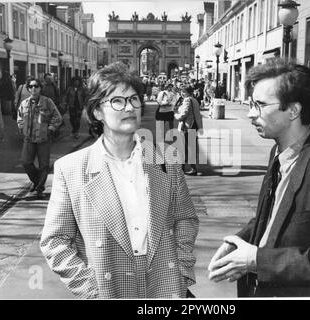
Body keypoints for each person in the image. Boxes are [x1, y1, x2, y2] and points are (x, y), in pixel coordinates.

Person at [208, 59, 310, 297]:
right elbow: (275, 217)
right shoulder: (278, 153)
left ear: (294, 111)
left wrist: (256, 260)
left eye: (260, 105)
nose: (250, 114)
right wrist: (237, 240)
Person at [40, 62, 199, 299]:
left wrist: (181, 268)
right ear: (96, 111)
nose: (129, 107)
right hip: (109, 287)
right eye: (117, 101)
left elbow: (186, 217)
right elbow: (55, 241)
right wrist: (90, 289)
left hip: (165, 285)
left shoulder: (166, 159)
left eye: (134, 99)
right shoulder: (71, 169)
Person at [17, 78, 62, 199]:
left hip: (43, 139)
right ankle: (37, 181)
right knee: (26, 162)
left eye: (36, 86)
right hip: (29, 138)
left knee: (43, 165)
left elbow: (57, 117)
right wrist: (23, 128)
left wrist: (50, 129)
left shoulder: (48, 102)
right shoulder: (24, 103)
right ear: (28, 88)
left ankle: (39, 188)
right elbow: (20, 118)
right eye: (30, 87)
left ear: (40, 88)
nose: (33, 89)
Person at [174, 85, 203, 176]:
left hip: (187, 126)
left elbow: (184, 113)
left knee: (184, 147)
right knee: (191, 147)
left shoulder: (187, 100)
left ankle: (184, 169)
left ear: (188, 92)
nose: (182, 93)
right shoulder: (194, 100)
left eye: (183, 92)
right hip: (194, 125)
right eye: (181, 92)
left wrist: (176, 116)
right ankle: (192, 168)